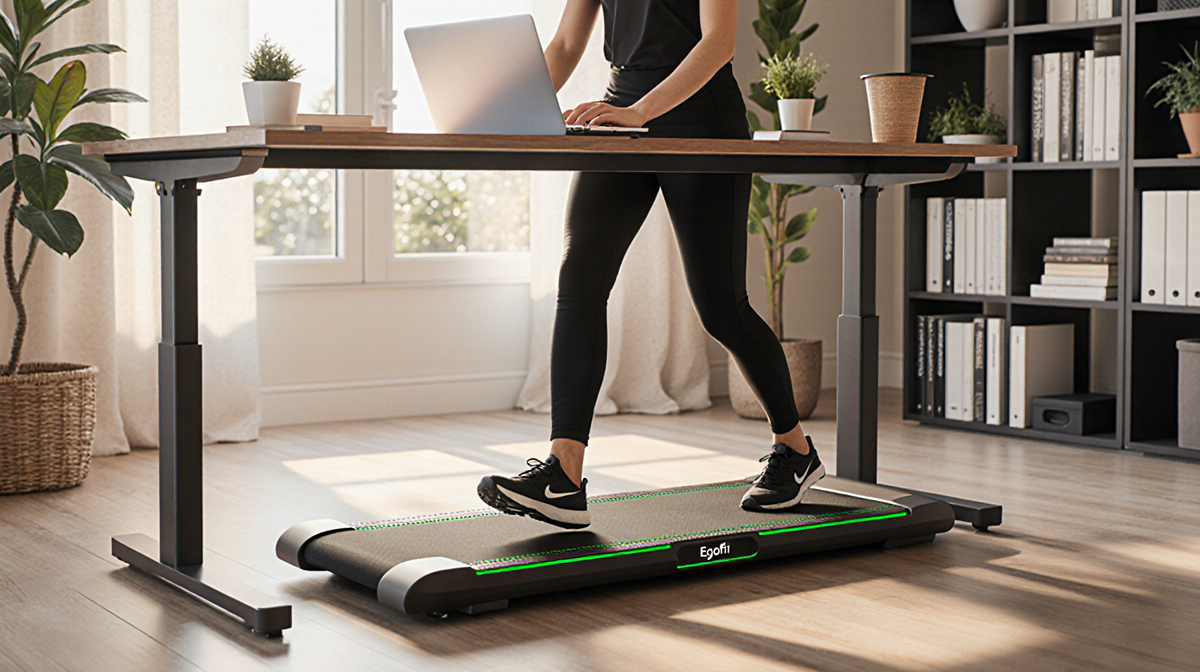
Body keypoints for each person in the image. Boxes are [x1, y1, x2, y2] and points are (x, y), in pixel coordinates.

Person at [477, 0, 824, 529]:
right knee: (579, 281)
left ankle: (795, 450)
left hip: (699, 117)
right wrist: (505, 112)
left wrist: (643, 111)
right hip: (620, 112)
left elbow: (718, 43)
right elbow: (567, 44)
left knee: (720, 307)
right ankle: (563, 476)